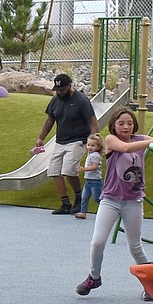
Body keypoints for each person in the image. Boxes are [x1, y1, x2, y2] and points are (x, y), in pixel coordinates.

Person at [76, 107, 153, 301]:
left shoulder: (140, 139)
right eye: (121, 123)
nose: (126, 126)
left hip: (133, 201)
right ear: (114, 125)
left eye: (130, 123)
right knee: (97, 242)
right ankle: (94, 277)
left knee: (135, 247)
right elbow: (127, 149)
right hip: (111, 200)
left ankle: (152, 285)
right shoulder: (111, 140)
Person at [35, 73, 98, 215]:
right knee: (54, 171)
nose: (60, 92)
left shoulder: (81, 100)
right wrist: (41, 138)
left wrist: (93, 139)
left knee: (69, 170)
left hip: (77, 140)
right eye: (58, 90)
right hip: (60, 141)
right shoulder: (55, 100)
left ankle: (79, 198)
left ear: (70, 86)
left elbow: (92, 121)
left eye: (63, 89)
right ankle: (65, 204)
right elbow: (50, 120)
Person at [74, 133, 104, 219]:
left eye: (93, 146)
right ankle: (83, 212)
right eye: (88, 145)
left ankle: (104, 212)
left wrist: (83, 169)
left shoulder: (95, 155)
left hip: (95, 181)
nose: (90, 147)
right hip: (88, 180)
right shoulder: (90, 154)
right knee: (84, 197)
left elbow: (94, 167)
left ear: (98, 147)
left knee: (97, 198)